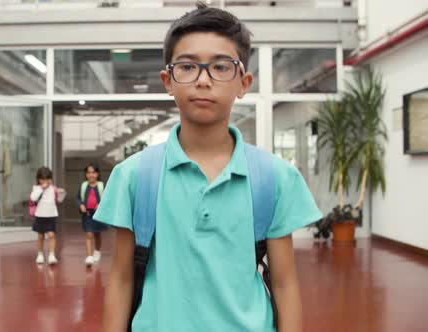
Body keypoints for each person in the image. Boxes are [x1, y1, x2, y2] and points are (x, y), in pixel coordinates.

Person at [94, 2, 322, 331]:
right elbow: (121, 279)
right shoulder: (134, 176)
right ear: (167, 80)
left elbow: (285, 284)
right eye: (187, 67)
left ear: (243, 82)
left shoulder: (273, 178)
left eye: (221, 67)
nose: (203, 80)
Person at [31, 167, 66, 265]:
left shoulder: (53, 188)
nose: (45, 181)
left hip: (51, 215)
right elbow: (33, 198)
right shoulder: (36, 188)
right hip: (40, 215)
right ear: (38, 179)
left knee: (51, 235)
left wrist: (61, 193)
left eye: (47, 179)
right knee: (40, 236)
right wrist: (41, 188)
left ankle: (51, 254)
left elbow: (60, 200)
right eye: (42, 179)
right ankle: (40, 254)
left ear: (51, 179)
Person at [76, 163, 108, 266]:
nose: (91, 175)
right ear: (86, 174)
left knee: (97, 234)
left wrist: (101, 205)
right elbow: (77, 198)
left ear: (97, 174)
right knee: (89, 234)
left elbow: (107, 198)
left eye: (93, 172)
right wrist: (80, 205)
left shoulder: (101, 185)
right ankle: (89, 256)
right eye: (89, 172)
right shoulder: (83, 186)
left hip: (98, 215)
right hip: (87, 214)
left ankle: (97, 251)